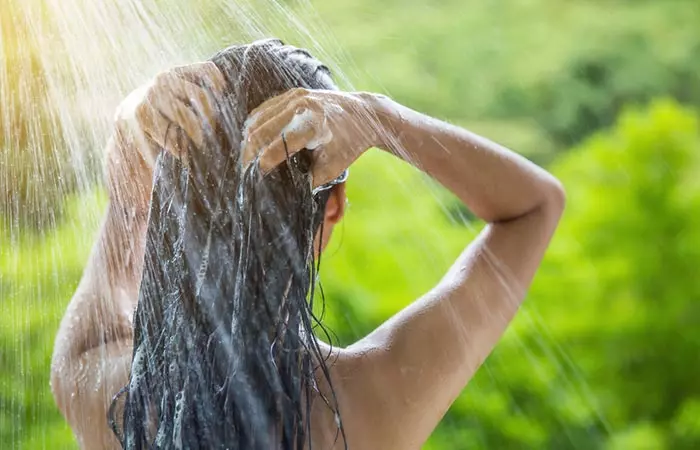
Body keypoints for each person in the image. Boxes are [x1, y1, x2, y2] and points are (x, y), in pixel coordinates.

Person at [50, 39, 565, 449]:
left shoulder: (104, 394)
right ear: (334, 206)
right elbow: (536, 205)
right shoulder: (368, 404)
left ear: (178, 206)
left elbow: (128, 199)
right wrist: (377, 118)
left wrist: (133, 117)